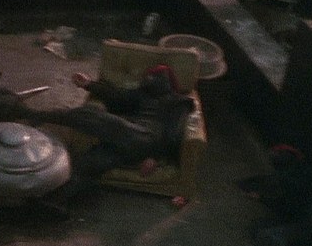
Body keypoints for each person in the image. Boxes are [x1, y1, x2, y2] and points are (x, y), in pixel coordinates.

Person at [29, 65, 196, 203]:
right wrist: (89, 84)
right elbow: (116, 96)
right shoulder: (141, 95)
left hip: (147, 139)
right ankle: (50, 202)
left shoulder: (179, 102)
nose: (151, 79)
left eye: (158, 76)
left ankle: (34, 114)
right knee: (89, 163)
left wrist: (155, 156)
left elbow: (174, 133)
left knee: (94, 116)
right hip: (128, 143)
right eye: (150, 76)